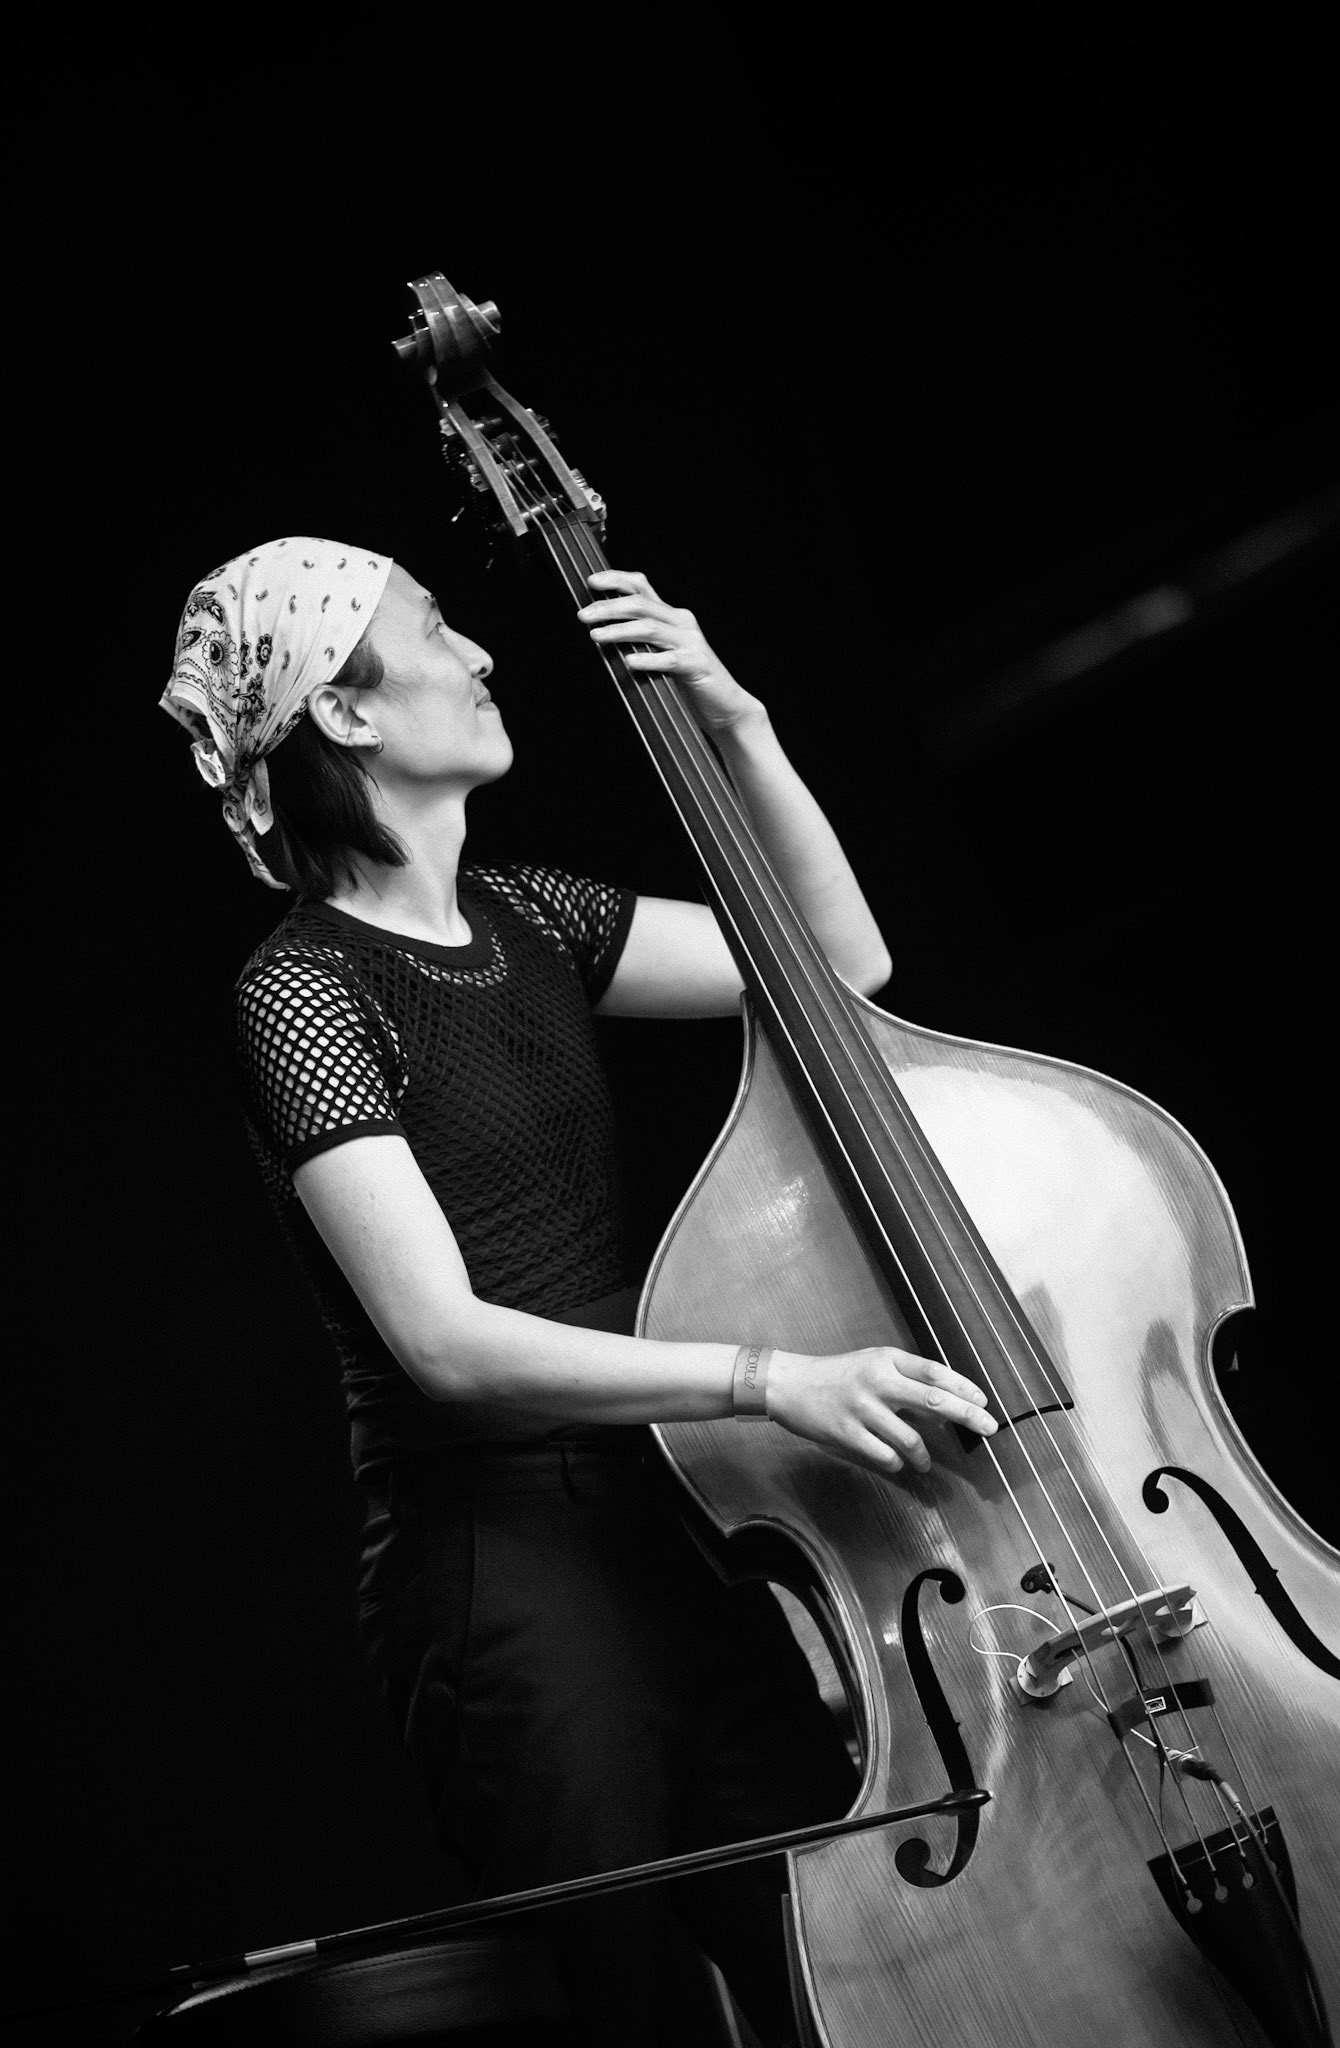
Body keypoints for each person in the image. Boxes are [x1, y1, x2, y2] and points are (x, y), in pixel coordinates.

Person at [162, 537, 998, 2046]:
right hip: (507, 1583)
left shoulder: (529, 918)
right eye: (436, 626)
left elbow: (842, 965)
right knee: (634, 2022)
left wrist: (733, 719)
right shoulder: (300, 990)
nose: (482, 653)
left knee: (858, 1974)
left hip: (675, 1535)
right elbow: (449, 1345)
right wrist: (773, 1381)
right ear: (345, 714)